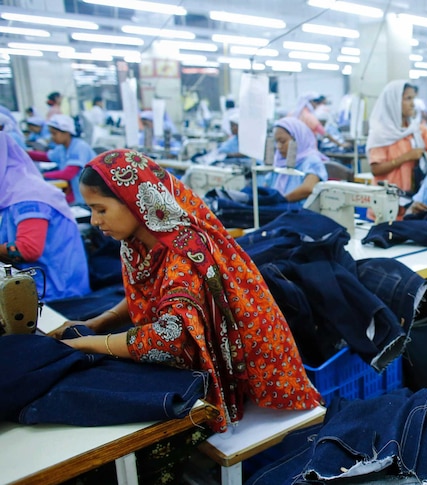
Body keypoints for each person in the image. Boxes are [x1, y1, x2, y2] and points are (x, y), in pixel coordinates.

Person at [49, 149, 321, 431]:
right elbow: (151, 297)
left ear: (132, 202)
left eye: (100, 209)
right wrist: (101, 322)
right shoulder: (138, 242)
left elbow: (169, 339)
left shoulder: (183, 256)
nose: (94, 221)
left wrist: (87, 343)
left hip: (248, 375)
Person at [0, 133, 90, 302]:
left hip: (55, 293)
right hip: (39, 284)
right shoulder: (11, 192)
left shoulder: (27, 196)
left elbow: (27, 249)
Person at [367, 80, 427, 197]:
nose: (413, 104)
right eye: (408, 99)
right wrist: (406, 157)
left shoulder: (417, 131)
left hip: (412, 201)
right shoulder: (381, 133)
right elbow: (376, 169)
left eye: (413, 98)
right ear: (393, 102)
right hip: (385, 202)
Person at [271, 117, 328, 206]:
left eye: (282, 141)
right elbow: (268, 186)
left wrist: (280, 201)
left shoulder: (312, 161)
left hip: (299, 213)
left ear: (297, 139)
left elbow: (308, 188)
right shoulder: (279, 161)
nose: (278, 146)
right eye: (276, 142)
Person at [42, 114, 97, 204]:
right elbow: (46, 156)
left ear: (66, 132)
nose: (52, 137)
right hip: (79, 194)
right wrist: (25, 153)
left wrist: (44, 176)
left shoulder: (79, 147)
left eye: (54, 133)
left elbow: (68, 174)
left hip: (92, 195)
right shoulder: (62, 148)